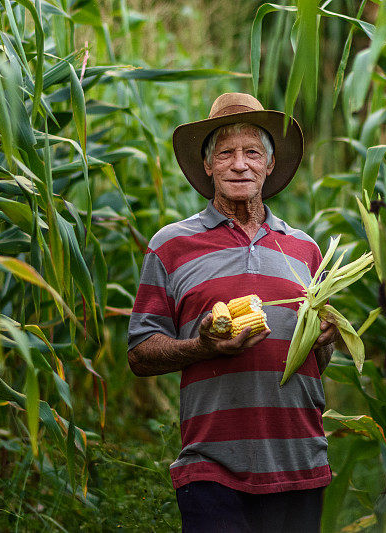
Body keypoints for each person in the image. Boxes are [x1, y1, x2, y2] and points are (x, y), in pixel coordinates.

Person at [127, 93, 338, 532]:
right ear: (208, 166)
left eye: (252, 152)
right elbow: (140, 353)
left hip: (300, 460)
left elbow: (315, 361)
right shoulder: (171, 246)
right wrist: (201, 346)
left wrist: (326, 341)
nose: (239, 164)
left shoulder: (305, 251)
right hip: (213, 468)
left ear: (270, 163)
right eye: (226, 153)